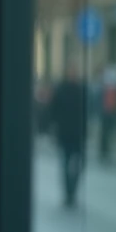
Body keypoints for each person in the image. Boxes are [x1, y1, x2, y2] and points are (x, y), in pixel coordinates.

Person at [48, 63, 88, 208]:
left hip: (77, 134)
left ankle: (73, 190)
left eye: (75, 72)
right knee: (65, 164)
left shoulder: (80, 90)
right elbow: (53, 111)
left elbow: (85, 113)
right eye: (71, 72)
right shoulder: (61, 89)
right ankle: (68, 194)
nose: (73, 74)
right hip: (64, 133)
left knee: (78, 164)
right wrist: (53, 129)